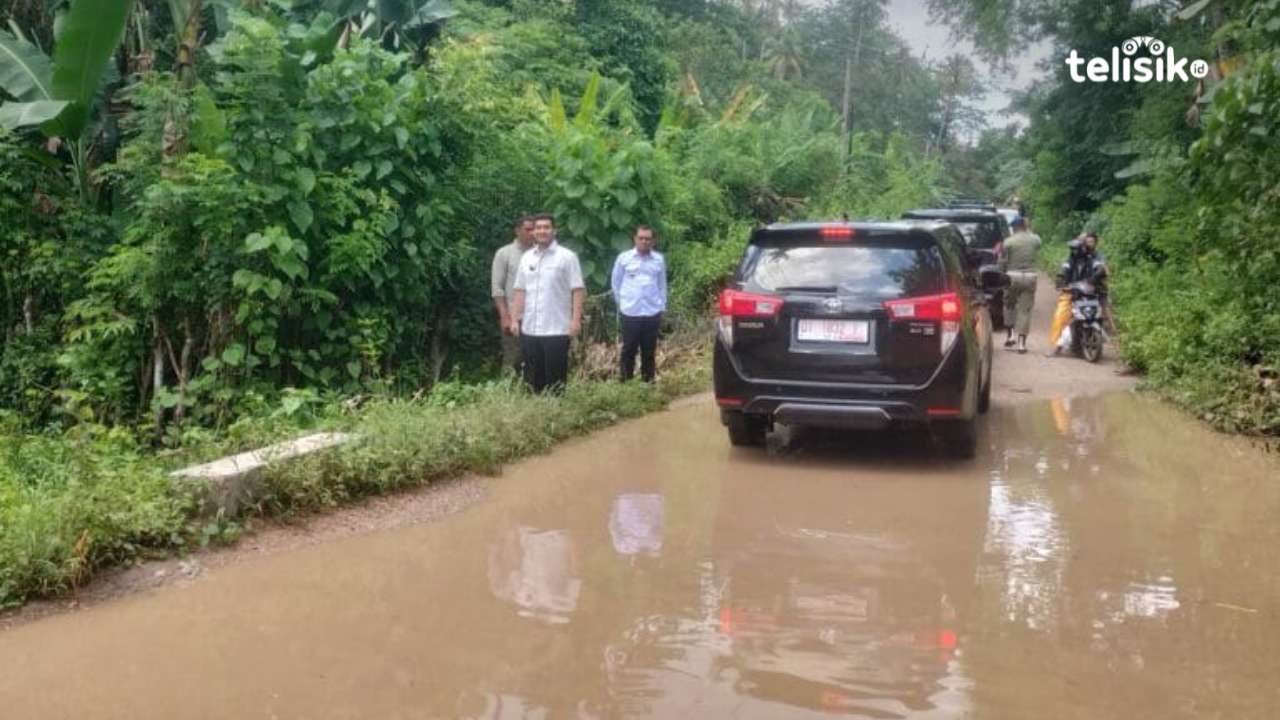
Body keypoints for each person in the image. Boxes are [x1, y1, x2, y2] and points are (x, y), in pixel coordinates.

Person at [509, 214, 585, 393]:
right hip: (530, 329)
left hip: (556, 329)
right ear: (533, 232)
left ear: (554, 231)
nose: (542, 231)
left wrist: (575, 320)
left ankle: (556, 414)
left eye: (546, 227)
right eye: (538, 228)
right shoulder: (527, 258)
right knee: (532, 379)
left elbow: (577, 289)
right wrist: (514, 319)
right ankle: (538, 414)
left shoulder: (567, 257)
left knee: (556, 381)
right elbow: (520, 290)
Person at [610, 226, 668, 383]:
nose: (644, 241)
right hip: (630, 311)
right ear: (635, 239)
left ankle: (648, 384)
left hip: (652, 311)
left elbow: (662, 285)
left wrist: (661, 307)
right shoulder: (624, 258)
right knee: (629, 349)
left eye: (647, 238)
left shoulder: (658, 260)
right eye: (641, 238)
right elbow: (616, 283)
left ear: (653, 241)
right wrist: (621, 304)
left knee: (649, 351)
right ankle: (626, 384)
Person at [491, 216, 535, 372]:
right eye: (528, 229)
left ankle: (534, 393)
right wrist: (505, 317)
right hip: (514, 316)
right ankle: (507, 393)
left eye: (534, 229)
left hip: (538, 317)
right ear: (517, 231)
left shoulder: (541, 253)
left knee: (534, 359)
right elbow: (497, 288)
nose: (532, 233)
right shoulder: (504, 253)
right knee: (512, 359)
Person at [1000, 215, 1042, 354]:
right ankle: (1021, 344)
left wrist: (1001, 274)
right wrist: (1028, 229)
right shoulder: (1034, 239)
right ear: (1025, 225)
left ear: (1014, 227)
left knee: (1009, 305)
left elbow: (1002, 262)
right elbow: (1038, 243)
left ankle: (1010, 334)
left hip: (1012, 276)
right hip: (1030, 277)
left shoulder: (1008, 242)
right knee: (1025, 311)